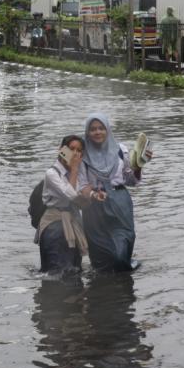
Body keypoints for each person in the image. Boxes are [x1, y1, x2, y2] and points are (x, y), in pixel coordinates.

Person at [78, 113, 151, 272]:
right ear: (87, 133)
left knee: (120, 252)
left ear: (107, 130)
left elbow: (131, 181)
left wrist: (139, 166)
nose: (97, 132)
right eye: (93, 129)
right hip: (94, 208)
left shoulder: (121, 150)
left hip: (120, 203)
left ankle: (126, 263)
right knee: (99, 260)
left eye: (101, 128)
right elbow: (82, 186)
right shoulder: (82, 155)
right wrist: (93, 195)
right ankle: (104, 292)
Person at [36, 135, 90, 274]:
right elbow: (71, 196)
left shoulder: (79, 172)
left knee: (75, 270)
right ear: (62, 150)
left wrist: (94, 195)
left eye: (79, 150)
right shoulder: (52, 173)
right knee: (57, 271)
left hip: (73, 221)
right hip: (54, 223)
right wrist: (74, 170)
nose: (75, 153)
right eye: (72, 149)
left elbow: (83, 197)